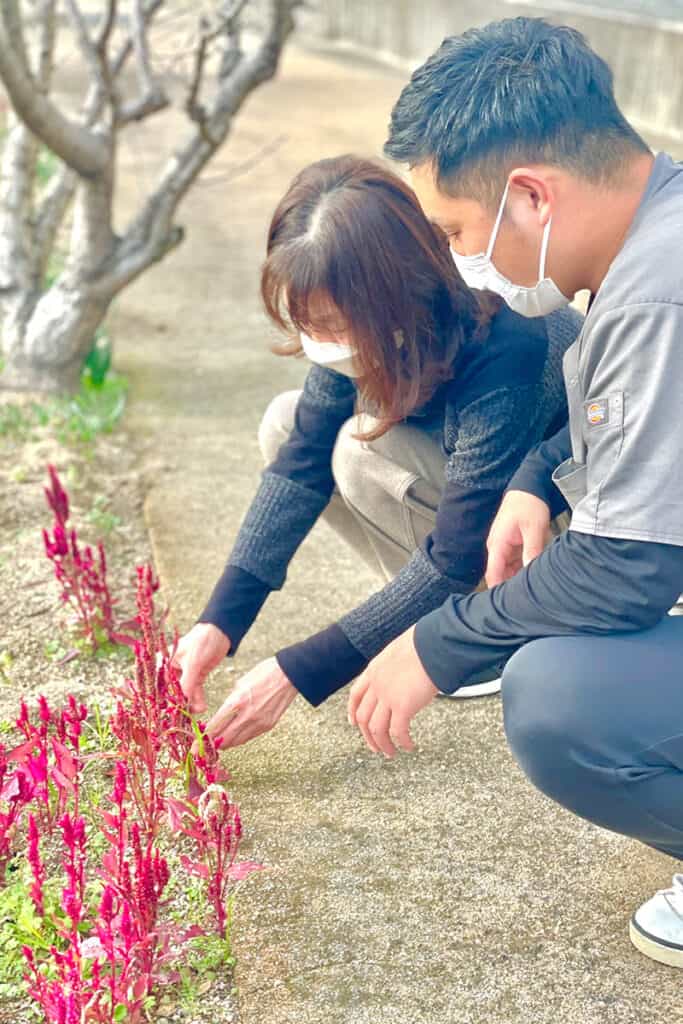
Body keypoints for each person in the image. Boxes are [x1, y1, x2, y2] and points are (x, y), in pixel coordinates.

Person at [345, 17, 683, 969]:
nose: (458, 260)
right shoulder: (657, 233)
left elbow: (624, 571)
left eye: (456, 230)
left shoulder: (656, 293)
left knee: (562, 698)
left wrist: (437, 642)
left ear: (530, 195)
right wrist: (538, 477)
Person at [175, 155, 580, 748]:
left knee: (357, 456)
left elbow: (458, 551)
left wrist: (299, 671)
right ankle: (415, 617)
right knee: (288, 423)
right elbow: (300, 463)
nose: (321, 341)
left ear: (391, 298)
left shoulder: (503, 337)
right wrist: (219, 622)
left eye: (332, 324)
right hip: (474, 499)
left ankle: (472, 639)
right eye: (308, 321)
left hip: (552, 515)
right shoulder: (361, 319)